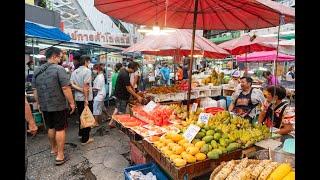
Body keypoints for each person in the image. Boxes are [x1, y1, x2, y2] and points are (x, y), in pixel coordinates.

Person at [32, 47, 76, 165]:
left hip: (45, 105)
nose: (60, 59)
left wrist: (39, 104)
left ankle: (54, 148)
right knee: (60, 129)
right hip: (58, 105)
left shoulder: (37, 70)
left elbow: (35, 90)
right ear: (54, 56)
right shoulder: (59, 69)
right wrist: (72, 103)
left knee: (50, 127)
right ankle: (60, 156)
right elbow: (66, 88)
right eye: (60, 57)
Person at [70, 55, 94, 145]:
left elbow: (71, 84)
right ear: (86, 61)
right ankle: (85, 139)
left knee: (81, 116)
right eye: (89, 62)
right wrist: (86, 99)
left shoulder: (75, 71)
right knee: (86, 117)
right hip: (85, 98)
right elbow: (86, 86)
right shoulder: (87, 71)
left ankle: (81, 134)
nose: (89, 63)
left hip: (78, 98)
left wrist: (79, 89)